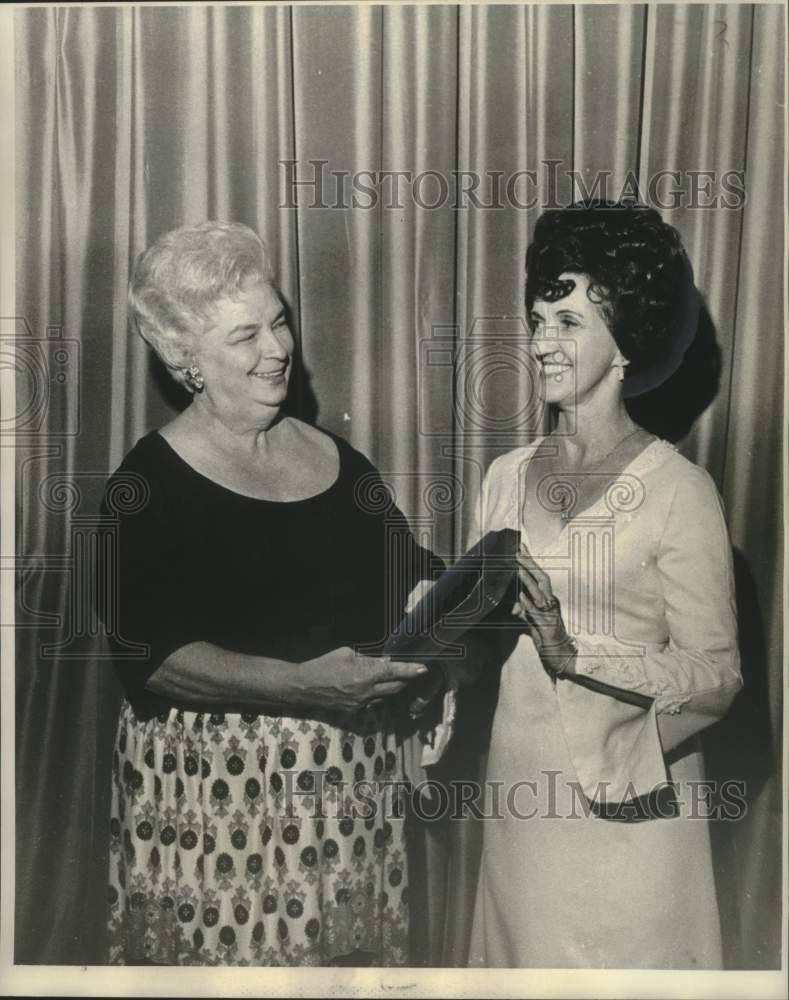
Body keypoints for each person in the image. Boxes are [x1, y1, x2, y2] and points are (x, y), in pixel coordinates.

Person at [98, 221, 437, 966]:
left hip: (347, 791)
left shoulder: (341, 462)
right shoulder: (145, 484)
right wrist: (302, 687)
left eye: (278, 321)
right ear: (185, 358)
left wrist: (466, 599)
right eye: (245, 335)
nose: (278, 348)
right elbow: (150, 656)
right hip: (212, 800)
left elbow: (408, 576)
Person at [465, 201, 742, 968]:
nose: (540, 342)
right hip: (519, 806)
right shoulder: (503, 477)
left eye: (567, 322)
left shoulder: (679, 492)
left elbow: (715, 676)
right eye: (536, 320)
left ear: (623, 344)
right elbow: (482, 647)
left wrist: (575, 654)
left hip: (630, 815)